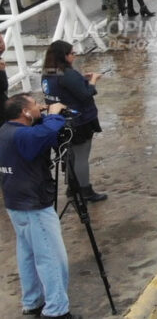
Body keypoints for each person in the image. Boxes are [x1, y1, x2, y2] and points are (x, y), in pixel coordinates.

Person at [0, 95, 81, 319]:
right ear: (25, 113)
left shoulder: (5, 131)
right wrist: (54, 113)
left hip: (15, 203)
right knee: (52, 258)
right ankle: (56, 311)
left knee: (27, 254)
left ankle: (32, 301)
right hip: (33, 205)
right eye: (34, 105)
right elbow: (46, 132)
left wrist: (44, 116)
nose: (39, 107)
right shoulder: (24, 135)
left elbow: (39, 136)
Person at [41, 40, 108, 203]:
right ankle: (85, 190)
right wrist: (93, 81)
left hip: (59, 120)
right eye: (72, 53)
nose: (75, 55)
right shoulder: (67, 74)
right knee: (81, 156)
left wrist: (80, 80)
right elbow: (85, 94)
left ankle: (73, 187)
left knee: (69, 155)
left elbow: (65, 88)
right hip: (78, 121)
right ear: (64, 56)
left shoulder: (48, 72)